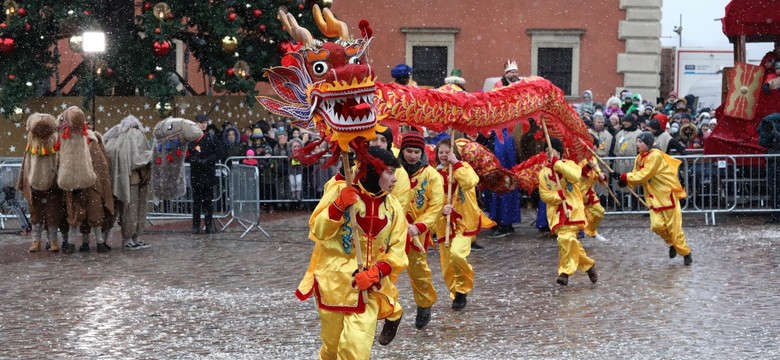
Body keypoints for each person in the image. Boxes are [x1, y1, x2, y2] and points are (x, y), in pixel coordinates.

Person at [295, 146, 408, 359]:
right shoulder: (341, 191)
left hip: (368, 289)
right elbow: (318, 230)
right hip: (333, 285)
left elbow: (398, 250)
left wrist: (376, 273)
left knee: (355, 351)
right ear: (374, 170)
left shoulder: (393, 207)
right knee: (331, 350)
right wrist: (337, 206)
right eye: (390, 172)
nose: (395, 179)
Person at [612, 132, 693, 266]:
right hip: (653, 198)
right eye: (637, 141)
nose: (637, 144)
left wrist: (624, 177)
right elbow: (636, 174)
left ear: (648, 144)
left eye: (640, 141)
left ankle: (685, 253)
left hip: (667, 197)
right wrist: (626, 181)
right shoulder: (639, 157)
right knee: (656, 226)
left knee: (674, 230)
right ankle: (671, 243)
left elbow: (645, 174)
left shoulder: (655, 155)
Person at [435, 139, 495, 310]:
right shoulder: (434, 174)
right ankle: (455, 292)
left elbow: (470, 182)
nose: (444, 155)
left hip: (463, 221)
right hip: (443, 224)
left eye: (448, 151)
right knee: (447, 266)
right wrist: (441, 210)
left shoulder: (464, 168)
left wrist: (457, 164)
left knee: (457, 255)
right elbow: (430, 199)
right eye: (441, 152)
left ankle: (463, 288)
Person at [397, 131, 444, 329]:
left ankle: (424, 304)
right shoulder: (394, 170)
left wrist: (419, 226)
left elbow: (436, 205)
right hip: (392, 230)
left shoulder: (431, 175)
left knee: (419, 272)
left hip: (417, 233)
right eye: (409, 150)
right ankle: (383, 310)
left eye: (416, 151)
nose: (412, 155)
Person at [538, 137, 598, 286]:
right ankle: (588, 264)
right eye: (545, 151)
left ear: (558, 151)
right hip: (557, 214)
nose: (548, 153)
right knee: (569, 241)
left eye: (550, 150)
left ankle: (565, 273)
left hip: (573, 210)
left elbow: (575, 176)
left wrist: (557, 164)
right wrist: (557, 196)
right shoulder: (544, 172)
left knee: (565, 240)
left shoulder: (570, 164)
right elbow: (544, 194)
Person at [103, 115, 153, 250]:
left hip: (118, 179)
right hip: (133, 179)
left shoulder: (115, 135)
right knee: (132, 210)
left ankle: (106, 239)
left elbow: (110, 153)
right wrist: (151, 156)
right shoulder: (135, 135)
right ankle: (130, 238)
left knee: (119, 210)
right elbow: (139, 157)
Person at [17, 113, 63, 252]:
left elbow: (60, 160)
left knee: (53, 213)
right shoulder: (31, 142)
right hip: (34, 183)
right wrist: (25, 181)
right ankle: (36, 241)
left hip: (53, 183)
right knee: (36, 214)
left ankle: (53, 240)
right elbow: (27, 162)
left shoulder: (56, 141)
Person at [188, 114, 220, 234]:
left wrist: (208, 160)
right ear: (196, 123)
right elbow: (187, 154)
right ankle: (195, 226)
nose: (203, 124)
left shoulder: (211, 137)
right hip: (196, 174)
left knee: (208, 202)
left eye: (205, 122)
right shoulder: (191, 138)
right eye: (201, 122)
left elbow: (218, 153)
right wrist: (195, 160)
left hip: (208, 173)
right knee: (196, 202)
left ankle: (208, 224)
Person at [579, 152, 608, 242]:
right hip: (577, 193)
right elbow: (577, 174)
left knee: (599, 211)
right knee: (576, 217)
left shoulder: (593, 158)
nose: (595, 148)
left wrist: (601, 176)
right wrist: (587, 167)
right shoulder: (577, 158)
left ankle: (591, 231)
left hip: (589, 192)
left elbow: (596, 172)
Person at [758, 113, 780, 224]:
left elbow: (762, 142)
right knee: (775, 190)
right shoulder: (771, 123)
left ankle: (776, 215)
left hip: (774, 161)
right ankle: (776, 215)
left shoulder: (768, 124)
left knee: (775, 190)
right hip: (774, 161)